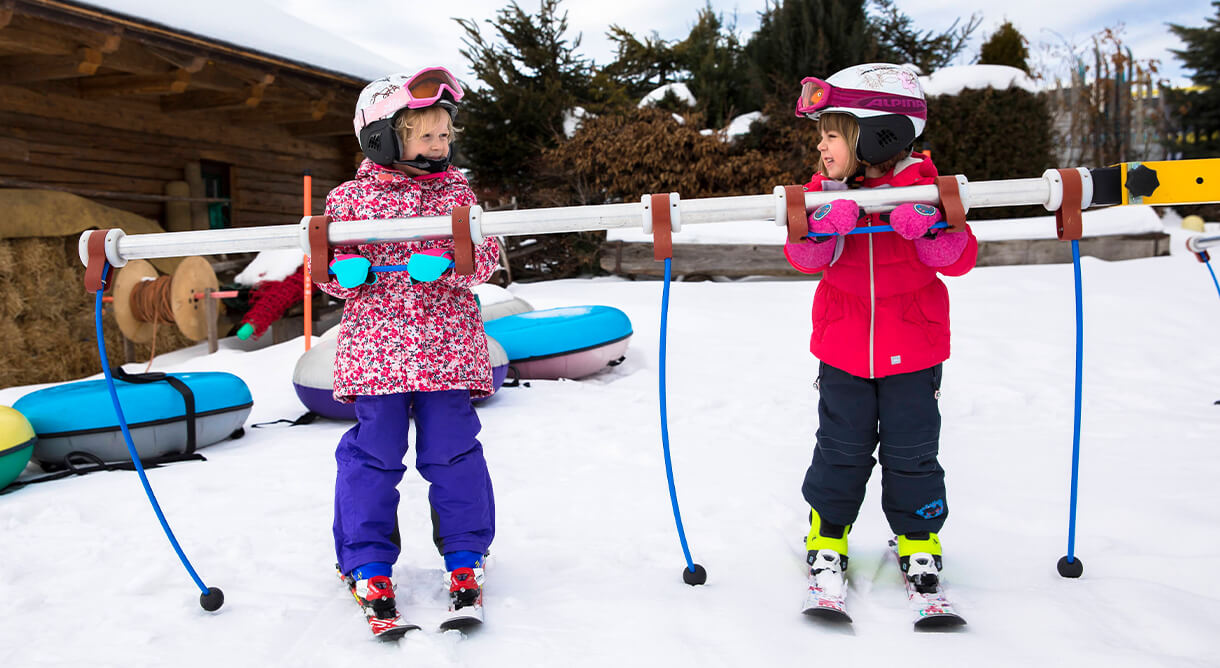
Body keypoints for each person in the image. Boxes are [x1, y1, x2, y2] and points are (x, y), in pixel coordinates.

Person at [784, 63, 978, 610]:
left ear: (877, 132)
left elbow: (960, 260)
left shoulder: (929, 188)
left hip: (914, 352)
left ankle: (919, 541)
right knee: (840, 451)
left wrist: (934, 229)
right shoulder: (823, 193)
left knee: (914, 452)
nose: (821, 147)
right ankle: (826, 539)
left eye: (830, 134)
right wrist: (821, 226)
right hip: (844, 351)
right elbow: (802, 258)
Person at [318, 66, 500, 636]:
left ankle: (466, 557)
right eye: (427, 135)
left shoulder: (457, 192)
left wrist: (455, 264)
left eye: (446, 134)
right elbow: (323, 276)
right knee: (373, 460)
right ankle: (367, 564)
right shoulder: (347, 200)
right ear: (383, 135)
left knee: (453, 456)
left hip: (445, 350)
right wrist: (343, 274)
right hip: (377, 357)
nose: (441, 145)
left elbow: (489, 256)